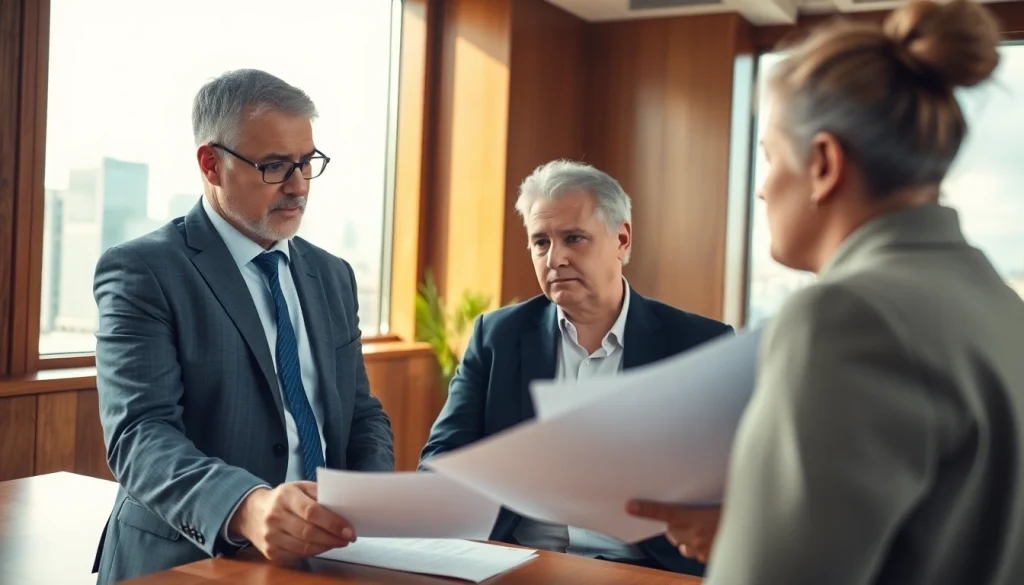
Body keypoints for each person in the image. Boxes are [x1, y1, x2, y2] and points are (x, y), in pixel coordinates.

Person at [628, 1, 1024, 583]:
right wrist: (753, 529)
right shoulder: (1002, 308)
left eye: (768, 158)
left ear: (823, 164)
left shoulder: (845, 318)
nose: (761, 190)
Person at [91, 69, 394, 585]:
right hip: (190, 561)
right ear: (212, 164)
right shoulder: (144, 270)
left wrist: (370, 504)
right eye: (275, 166)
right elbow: (140, 435)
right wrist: (249, 507)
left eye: (306, 163)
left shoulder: (333, 275)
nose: (298, 186)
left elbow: (359, 412)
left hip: (326, 560)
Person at [419, 159, 733, 576]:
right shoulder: (497, 337)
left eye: (574, 238)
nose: (555, 258)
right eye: (540, 242)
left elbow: (735, 489)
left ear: (622, 240)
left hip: (648, 569)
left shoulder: (699, 345)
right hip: (521, 563)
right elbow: (439, 462)